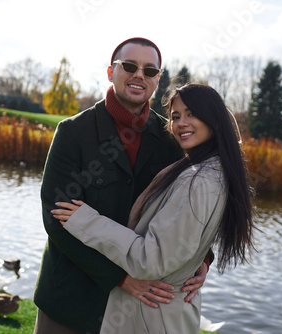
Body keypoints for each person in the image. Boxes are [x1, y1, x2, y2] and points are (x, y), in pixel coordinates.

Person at [33, 38, 213, 334]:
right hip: (69, 300)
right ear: (110, 72)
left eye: (150, 70)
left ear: (157, 81)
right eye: (129, 66)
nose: (139, 74)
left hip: (134, 310)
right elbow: (56, 220)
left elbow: (192, 208)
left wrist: (203, 257)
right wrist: (121, 278)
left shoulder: (170, 141)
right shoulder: (72, 132)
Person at [53, 83, 257, 333]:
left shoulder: (198, 179)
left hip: (152, 314)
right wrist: (198, 259)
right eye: (175, 116)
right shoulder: (209, 168)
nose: (181, 123)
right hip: (159, 310)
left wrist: (86, 221)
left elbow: (152, 258)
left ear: (213, 118)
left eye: (192, 113)